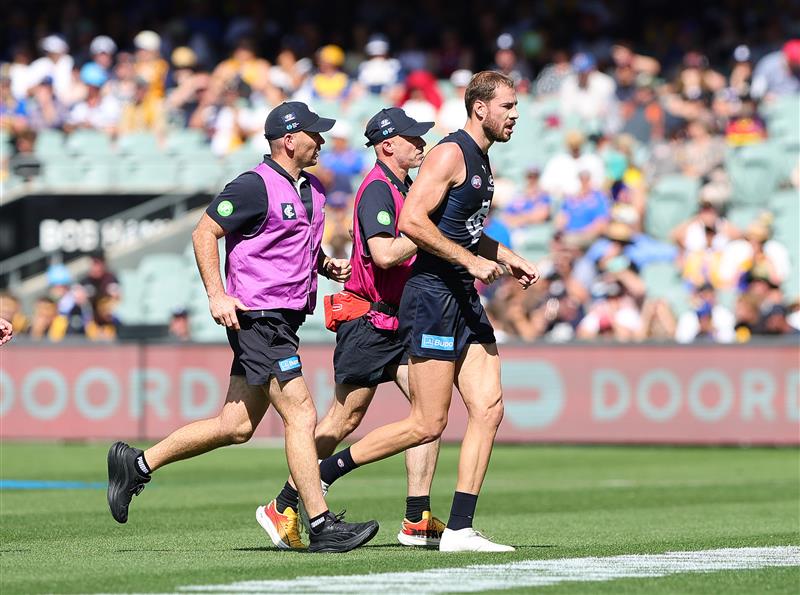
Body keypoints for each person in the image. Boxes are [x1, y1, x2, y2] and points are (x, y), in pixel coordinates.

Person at [106, 101, 379, 554]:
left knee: (235, 426)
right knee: (302, 413)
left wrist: (324, 266)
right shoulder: (254, 185)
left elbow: (289, 245)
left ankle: (136, 464)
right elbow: (203, 232)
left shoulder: (310, 189)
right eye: (315, 133)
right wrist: (216, 293)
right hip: (259, 318)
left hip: (284, 319)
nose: (323, 141)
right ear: (289, 140)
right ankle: (320, 523)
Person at [316, 71, 540, 552]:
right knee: (428, 423)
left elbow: (460, 228)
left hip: (462, 293)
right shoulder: (449, 153)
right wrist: (471, 261)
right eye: (508, 106)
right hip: (433, 296)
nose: (515, 115)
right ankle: (324, 472)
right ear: (480, 108)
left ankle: (459, 528)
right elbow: (412, 221)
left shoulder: (480, 159)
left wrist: (505, 255)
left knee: (490, 408)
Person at [262, 107, 444, 550]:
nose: (421, 144)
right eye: (412, 138)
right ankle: (285, 501)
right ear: (387, 146)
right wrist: (428, 233)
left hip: (399, 318)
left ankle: (417, 518)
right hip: (368, 319)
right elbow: (384, 255)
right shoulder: (378, 191)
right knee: (345, 417)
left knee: (428, 416)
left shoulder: (404, 187)